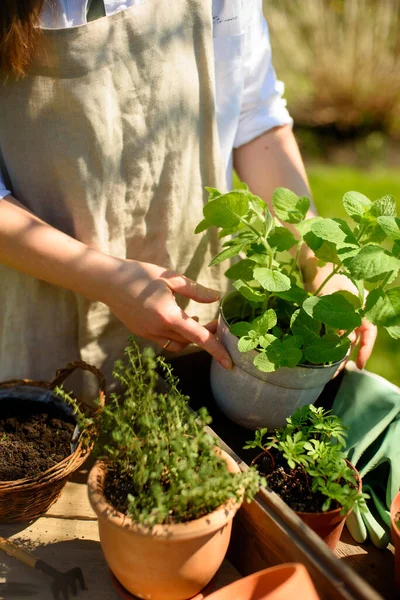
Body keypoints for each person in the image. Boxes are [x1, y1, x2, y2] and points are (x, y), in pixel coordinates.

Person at [0, 0, 376, 391]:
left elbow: (254, 115)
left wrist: (316, 256)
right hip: (40, 285)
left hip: (194, 290)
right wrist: (105, 279)